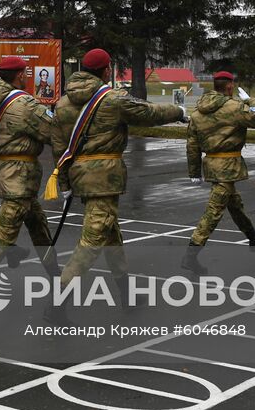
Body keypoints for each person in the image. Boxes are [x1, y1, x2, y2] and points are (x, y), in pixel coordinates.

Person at [52, 49, 186, 285]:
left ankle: (125, 291)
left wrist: (65, 184)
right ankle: (59, 297)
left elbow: (59, 147)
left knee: (110, 233)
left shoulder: (62, 103)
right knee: (93, 239)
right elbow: (149, 113)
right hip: (104, 178)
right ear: (106, 71)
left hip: (80, 175)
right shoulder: (113, 99)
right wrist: (179, 112)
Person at [0, 56, 58, 285]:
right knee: (3, 236)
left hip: (3, 171)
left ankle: (56, 277)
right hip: (20, 176)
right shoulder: (24, 104)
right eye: (25, 73)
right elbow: (52, 132)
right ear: (20, 75)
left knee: (38, 224)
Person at [182, 71, 255, 275]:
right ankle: (190, 255)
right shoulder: (235, 107)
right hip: (228, 165)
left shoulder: (197, 112)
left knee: (234, 203)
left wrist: (194, 171)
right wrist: (251, 100)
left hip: (211, 164)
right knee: (214, 212)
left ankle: (253, 237)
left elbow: (192, 145)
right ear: (230, 87)